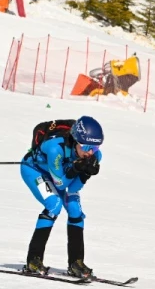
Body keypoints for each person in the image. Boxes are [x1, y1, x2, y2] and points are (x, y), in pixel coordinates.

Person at [19, 116, 104, 279]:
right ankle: (33, 260)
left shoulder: (94, 156)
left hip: (61, 176)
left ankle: (76, 262)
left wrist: (85, 173)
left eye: (95, 147)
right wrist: (75, 169)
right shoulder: (55, 148)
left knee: (75, 210)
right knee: (54, 204)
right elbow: (59, 185)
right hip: (35, 171)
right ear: (76, 140)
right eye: (87, 146)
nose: (90, 152)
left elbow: (72, 189)